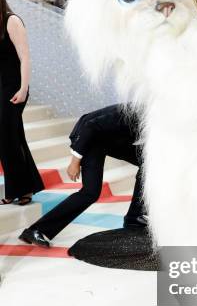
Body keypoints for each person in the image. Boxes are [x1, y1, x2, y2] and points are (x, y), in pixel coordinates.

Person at [19, 104, 146, 247]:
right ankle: (36, 230)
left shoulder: (165, 121)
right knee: (90, 192)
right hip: (88, 137)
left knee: (151, 164)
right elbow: (89, 125)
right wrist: (75, 161)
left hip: (109, 139)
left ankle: (134, 217)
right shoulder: (138, 111)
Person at [0, 0, 44, 204]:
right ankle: (22, 187)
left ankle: (20, 189)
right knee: (8, 138)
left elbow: (25, 57)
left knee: (9, 137)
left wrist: (24, 89)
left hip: (14, 87)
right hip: (0, 87)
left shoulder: (12, 20)